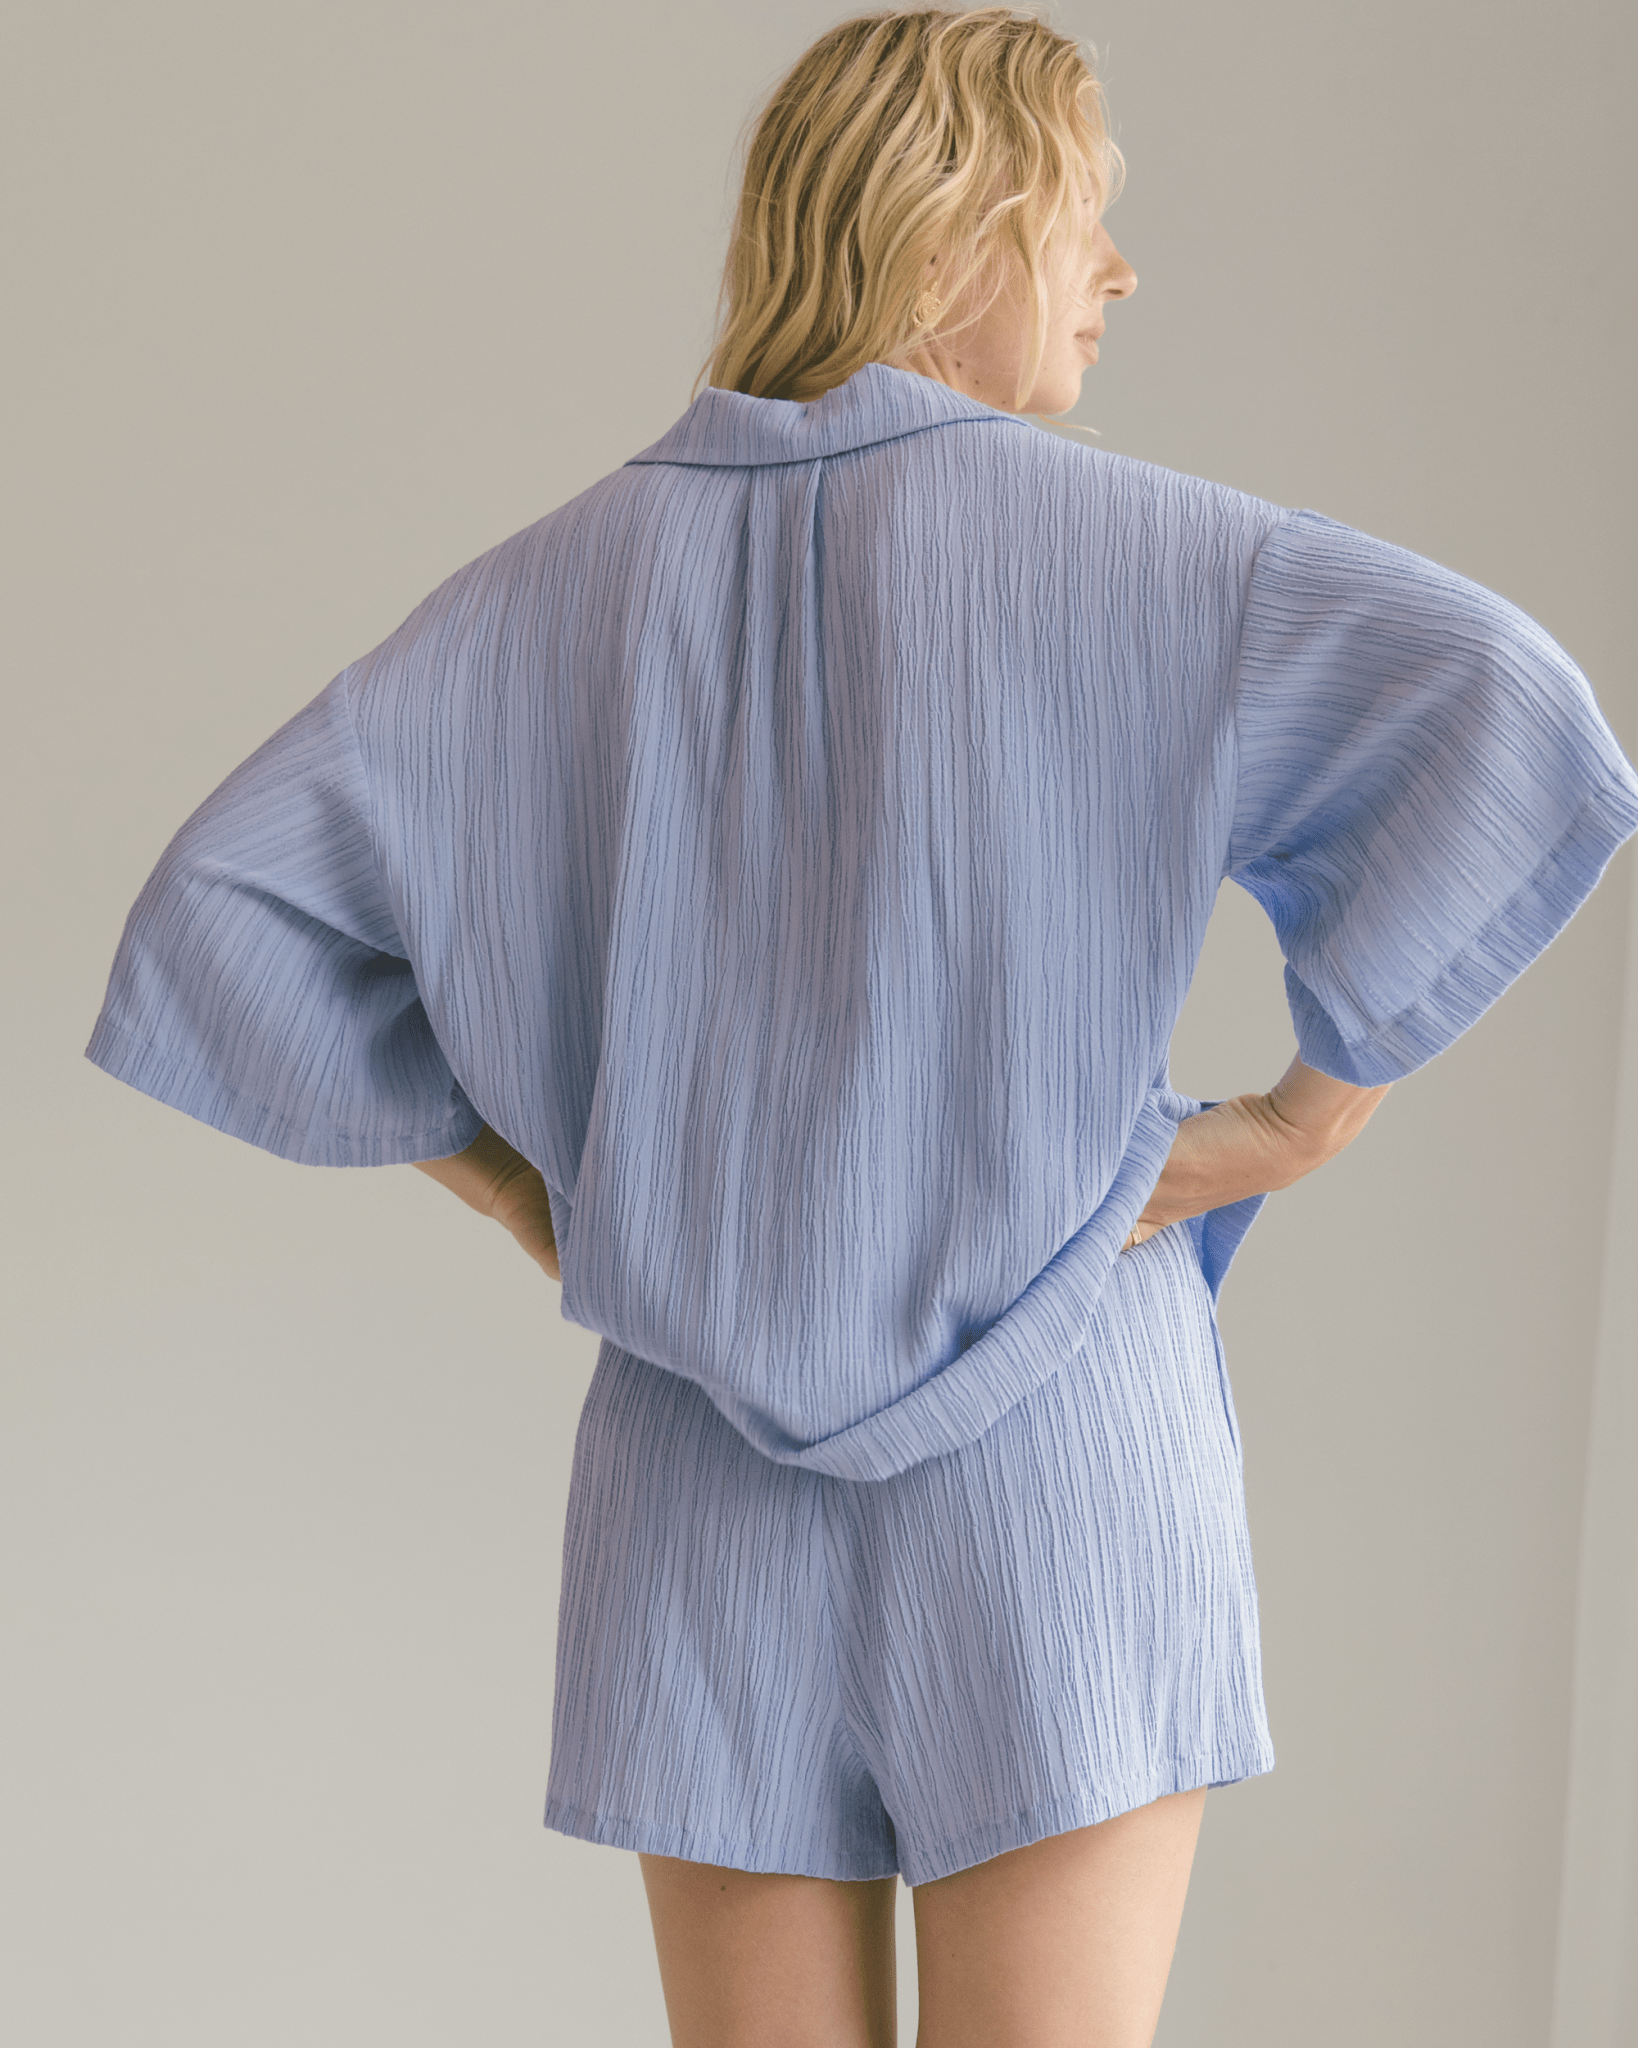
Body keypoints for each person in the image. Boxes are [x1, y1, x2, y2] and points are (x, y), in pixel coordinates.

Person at [82, 8, 1638, 2045]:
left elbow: (229, 908)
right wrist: (1301, 1117)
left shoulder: (553, 592)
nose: (1120, 269)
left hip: (697, 1455)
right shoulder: (1160, 557)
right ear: (954, 221)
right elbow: (1506, 707)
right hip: (1059, 1420)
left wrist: (539, 1202)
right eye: (1083, 213)